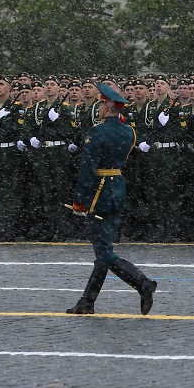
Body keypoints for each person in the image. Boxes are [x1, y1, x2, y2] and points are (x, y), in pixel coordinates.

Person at [66, 83, 157, 316]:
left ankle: (142, 283)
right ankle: (87, 301)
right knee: (103, 251)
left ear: (106, 108)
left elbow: (88, 168)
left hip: (99, 191)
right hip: (117, 188)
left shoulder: (97, 131)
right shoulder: (129, 131)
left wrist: (79, 200)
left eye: (100, 105)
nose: (98, 109)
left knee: (104, 252)